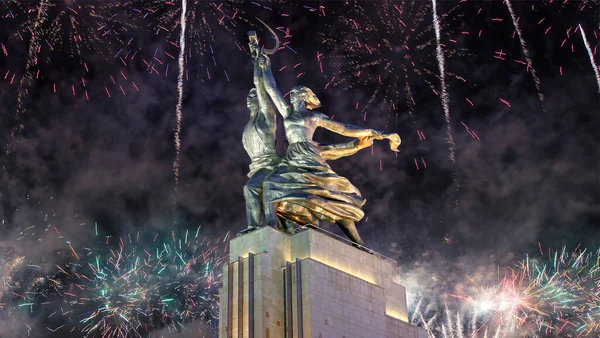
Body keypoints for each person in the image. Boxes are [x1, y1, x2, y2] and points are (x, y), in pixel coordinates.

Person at [257, 53, 400, 246]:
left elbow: (344, 128)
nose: (291, 95)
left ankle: (357, 240)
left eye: (296, 92)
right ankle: (272, 228)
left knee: (330, 195)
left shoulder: (314, 117)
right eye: (290, 93)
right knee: (272, 183)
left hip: (310, 156)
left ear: (305, 96)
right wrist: (264, 66)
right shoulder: (287, 112)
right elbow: (272, 89)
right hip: (292, 158)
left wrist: (377, 133)